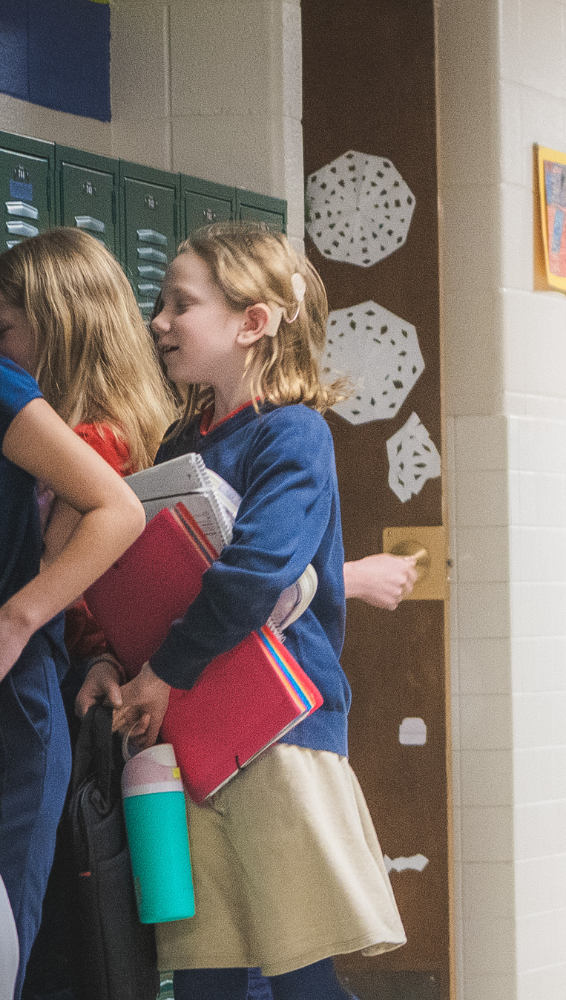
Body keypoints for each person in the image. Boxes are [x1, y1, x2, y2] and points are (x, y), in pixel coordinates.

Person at [81, 222, 405, 999]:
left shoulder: (292, 433)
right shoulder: (176, 441)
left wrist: (163, 670)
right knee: (201, 974)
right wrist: (113, 661)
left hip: (277, 735)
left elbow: (257, 570)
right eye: (159, 303)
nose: (157, 321)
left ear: (252, 324)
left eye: (180, 304)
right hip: (182, 737)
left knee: (301, 975)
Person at [0, 228, 178, 1000]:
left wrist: (25, 617)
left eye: (7, 328)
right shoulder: (121, 423)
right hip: (87, 674)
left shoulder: (86, 441)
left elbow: (60, 579)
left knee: (51, 931)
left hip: (68, 680)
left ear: (58, 321)